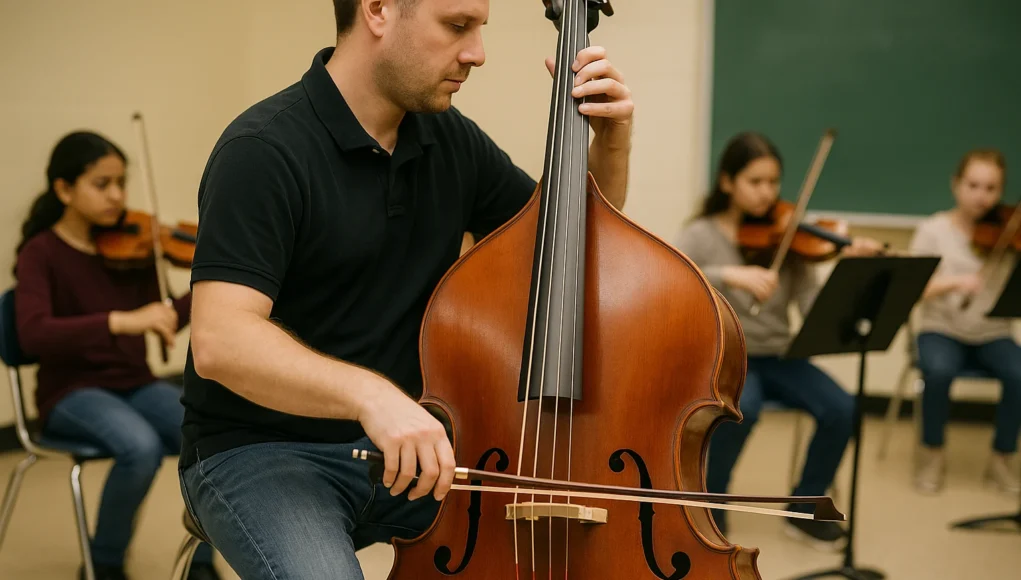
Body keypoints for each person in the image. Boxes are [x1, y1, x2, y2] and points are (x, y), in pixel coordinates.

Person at [177, 1, 634, 578]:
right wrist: (374, 398)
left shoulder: (450, 140)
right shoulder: (263, 150)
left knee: (560, 550)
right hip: (262, 450)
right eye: (457, 26)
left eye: (479, 29)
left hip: (414, 453)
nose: (478, 54)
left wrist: (610, 142)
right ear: (378, 11)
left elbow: (568, 256)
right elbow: (221, 341)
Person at [12, 132, 221, 580]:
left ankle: (201, 560)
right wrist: (117, 321)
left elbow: (161, 317)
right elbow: (31, 334)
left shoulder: (134, 245)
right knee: (139, 447)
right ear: (64, 189)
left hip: (136, 382)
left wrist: (210, 277)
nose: (117, 196)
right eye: (101, 184)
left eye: (121, 183)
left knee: (211, 434)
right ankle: (102, 565)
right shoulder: (41, 253)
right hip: (71, 392)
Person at [674, 132, 884, 551]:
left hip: (780, 356)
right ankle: (712, 505)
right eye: (755, 181)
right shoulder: (701, 235)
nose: (767, 193)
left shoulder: (789, 239)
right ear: (728, 182)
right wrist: (726, 274)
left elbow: (811, 308)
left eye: (773, 182)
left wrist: (849, 275)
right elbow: (675, 284)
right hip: (727, 357)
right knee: (742, 409)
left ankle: (805, 507)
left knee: (841, 407)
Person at [908, 148, 1021, 495]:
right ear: (956, 185)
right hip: (941, 329)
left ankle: (1001, 459)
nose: (982, 196)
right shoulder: (933, 230)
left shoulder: (1009, 231)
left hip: (993, 331)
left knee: (1019, 374)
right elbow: (911, 288)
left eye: (991, 188)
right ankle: (933, 453)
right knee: (939, 372)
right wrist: (956, 282)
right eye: (973, 185)